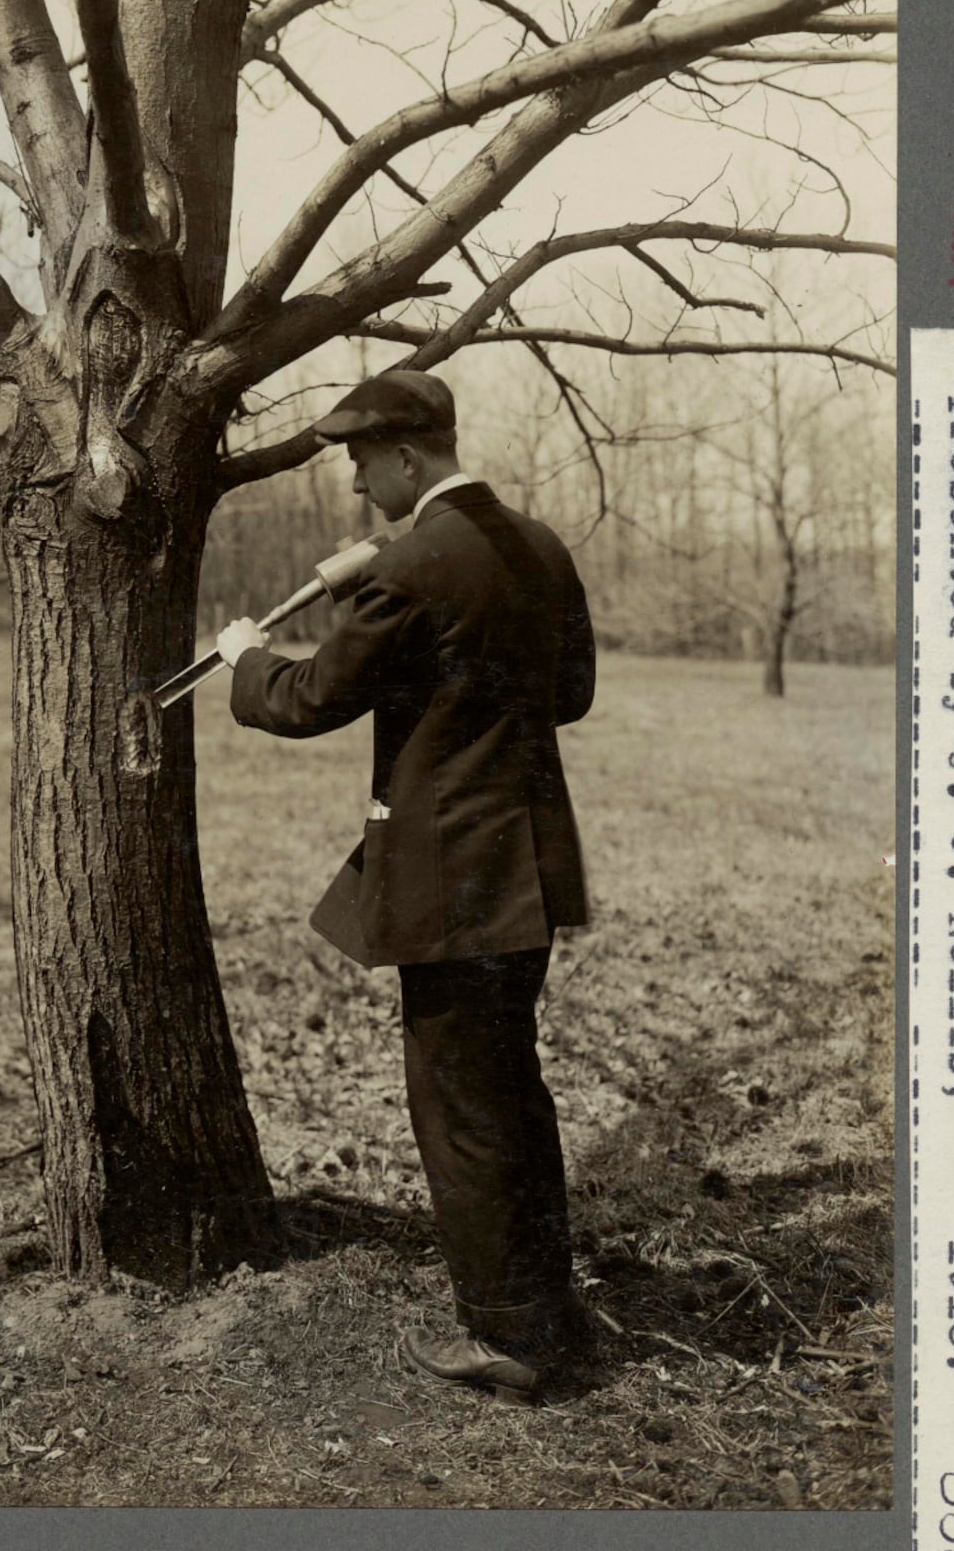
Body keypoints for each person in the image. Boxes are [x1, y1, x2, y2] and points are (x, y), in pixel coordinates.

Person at [215, 366, 598, 1396]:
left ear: (406, 457)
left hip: (453, 880)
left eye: (356, 461)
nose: (352, 485)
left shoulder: (414, 566)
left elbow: (304, 700)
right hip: (529, 872)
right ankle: (551, 1313)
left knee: (461, 1103)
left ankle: (510, 1339)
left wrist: (246, 656)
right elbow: (570, 693)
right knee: (513, 1088)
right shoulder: (543, 548)